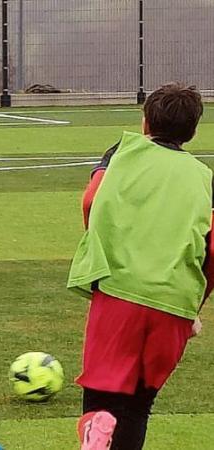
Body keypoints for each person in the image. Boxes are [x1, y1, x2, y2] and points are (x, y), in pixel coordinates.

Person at [67, 82, 214, 450]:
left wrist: (102, 252)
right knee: (138, 406)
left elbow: (90, 202)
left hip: (120, 293)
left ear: (145, 121)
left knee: (102, 400)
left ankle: (95, 425)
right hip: (174, 305)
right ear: (193, 131)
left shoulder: (122, 153)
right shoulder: (205, 178)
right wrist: (193, 307)